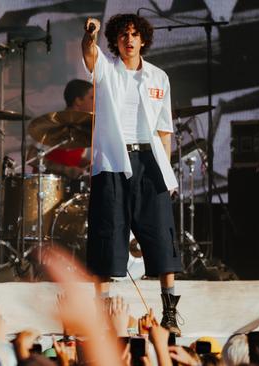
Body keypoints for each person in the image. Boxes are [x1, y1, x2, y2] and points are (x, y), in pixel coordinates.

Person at [81, 14, 183, 335]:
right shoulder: (107, 69)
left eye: (134, 34)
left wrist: (166, 174)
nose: (129, 39)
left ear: (143, 40)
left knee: (162, 236)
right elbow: (89, 54)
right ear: (116, 40)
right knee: (107, 234)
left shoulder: (158, 77)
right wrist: (90, 34)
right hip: (112, 161)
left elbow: (164, 130)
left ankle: (169, 313)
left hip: (150, 162)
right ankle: (103, 315)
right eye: (123, 34)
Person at [43, 79, 93, 180]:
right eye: (92, 98)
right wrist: (65, 169)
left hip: (70, 187)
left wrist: (89, 164)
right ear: (78, 101)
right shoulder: (53, 124)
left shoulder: (85, 127)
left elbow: (72, 158)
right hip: (48, 187)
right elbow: (31, 158)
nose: (96, 102)